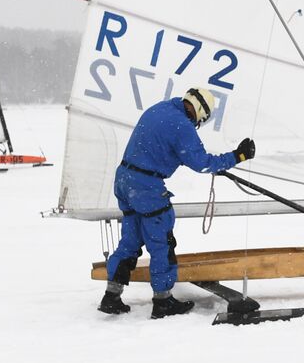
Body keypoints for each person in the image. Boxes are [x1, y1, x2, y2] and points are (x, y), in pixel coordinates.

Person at [99, 86, 256, 318]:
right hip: (146, 186)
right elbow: (201, 163)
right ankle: (163, 302)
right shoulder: (182, 125)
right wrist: (238, 156)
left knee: (131, 240)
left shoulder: (160, 109)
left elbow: (161, 145)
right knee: (161, 241)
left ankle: (111, 296)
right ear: (201, 113)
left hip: (124, 179)